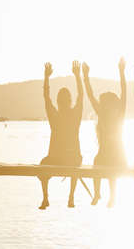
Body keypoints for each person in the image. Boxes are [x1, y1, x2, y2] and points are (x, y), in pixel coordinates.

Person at [39, 61, 84, 210]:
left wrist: (46, 77)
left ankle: (47, 197)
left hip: (62, 158)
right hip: (67, 158)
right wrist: (78, 76)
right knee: (73, 165)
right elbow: (81, 96)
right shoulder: (72, 115)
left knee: (44, 166)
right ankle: (69, 197)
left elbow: (46, 98)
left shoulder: (56, 116)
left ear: (59, 102)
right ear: (68, 101)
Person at [83, 58, 127, 208]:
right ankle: (97, 193)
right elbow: (90, 95)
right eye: (104, 104)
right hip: (104, 154)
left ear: (113, 104)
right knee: (97, 165)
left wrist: (122, 72)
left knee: (111, 172)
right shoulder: (101, 114)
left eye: (107, 103)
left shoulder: (119, 114)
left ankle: (112, 197)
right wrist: (86, 77)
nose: (105, 106)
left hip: (118, 155)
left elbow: (124, 92)